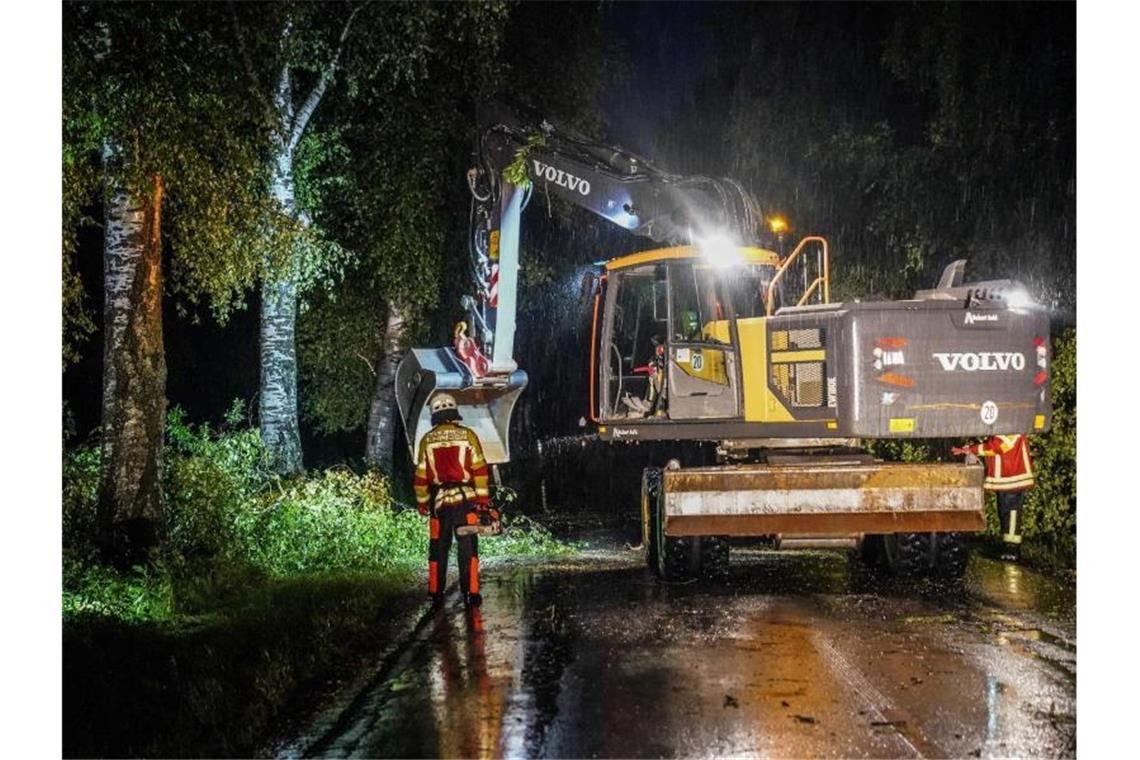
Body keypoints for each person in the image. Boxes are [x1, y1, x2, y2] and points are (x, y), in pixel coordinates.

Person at [414, 392, 499, 606]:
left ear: (434, 414)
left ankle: (435, 593)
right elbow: (480, 471)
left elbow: (421, 478)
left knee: (438, 548)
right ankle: (471, 592)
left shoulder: (427, 441)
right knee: (468, 546)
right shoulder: (468, 436)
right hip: (466, 500)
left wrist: (423, 504)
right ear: (454, 412)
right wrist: (483, 502)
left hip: (440, 503)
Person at [952, 433, 1034, 561]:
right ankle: (1009, 547)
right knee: (1006, 511)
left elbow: (999, 446)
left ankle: (1012, 550)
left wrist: (972, 449)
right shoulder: (1012, 421)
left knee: (1011, 512)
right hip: (1009, 477)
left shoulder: (1012, 425)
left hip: (1012, 476)